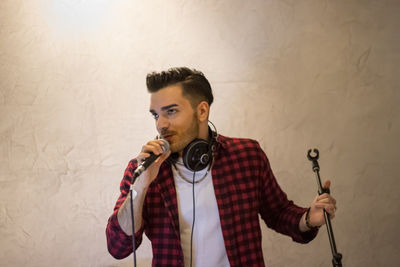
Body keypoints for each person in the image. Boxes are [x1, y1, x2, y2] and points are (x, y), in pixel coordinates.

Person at [106, 67, 337, 266]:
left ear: (202, 111)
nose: (161, 124)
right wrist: (140, 188)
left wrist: (308, 218)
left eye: (171, 111)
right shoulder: (141, 170)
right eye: (155, 114)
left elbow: (278, 213)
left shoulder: (247, 155)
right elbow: (118, 246)